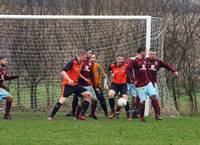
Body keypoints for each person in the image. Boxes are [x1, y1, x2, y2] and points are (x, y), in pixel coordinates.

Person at [48, 51, 92, 121]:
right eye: (84, 57)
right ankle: (51, 116)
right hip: (68, 85)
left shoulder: (81, 63)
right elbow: (63, 71)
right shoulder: (72, 62)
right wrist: (69, 79)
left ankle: (81, 115)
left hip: (76, 85)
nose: (85, 59)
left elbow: (77, 73)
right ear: (80, 56)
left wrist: (85, 79)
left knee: (89, 95)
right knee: (62, 100)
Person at [145, 48, 179, 119]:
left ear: (155, 54)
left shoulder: (158, 62)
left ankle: (157, 115)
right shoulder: (144, 61)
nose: (152, 55)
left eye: (153, 54)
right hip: (143, 83)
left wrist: (174, 71)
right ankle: (136, 113)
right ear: (148, 54)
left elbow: (166, 65)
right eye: (151, 54)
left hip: (153, 83)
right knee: (140, 98)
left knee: (154, 98)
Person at [127, 47, 158, 122]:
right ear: (142, 52)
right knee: (143, 101)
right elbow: (127, 69)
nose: (147, 53)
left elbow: (147, 72)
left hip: (148, 83)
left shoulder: (144, 60)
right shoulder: (133, 60)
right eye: (146, 51)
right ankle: (141, 117)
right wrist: (133, 79)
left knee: (154, 96)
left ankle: (158, 115)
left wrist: (152, 81)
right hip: (139, 85)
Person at [108, 55, 131, 120]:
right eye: (119, 59)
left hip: (123, 84)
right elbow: (110, 71)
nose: (120, 60)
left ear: (123, 60)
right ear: (116, 59)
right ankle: (113, 112)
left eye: (122, 59)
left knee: (125, 98)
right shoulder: (112, 66)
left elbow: (130, 72)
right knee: (110, 94)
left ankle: (128, 115)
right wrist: (111, 74)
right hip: (114, 84)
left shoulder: (126, 66)